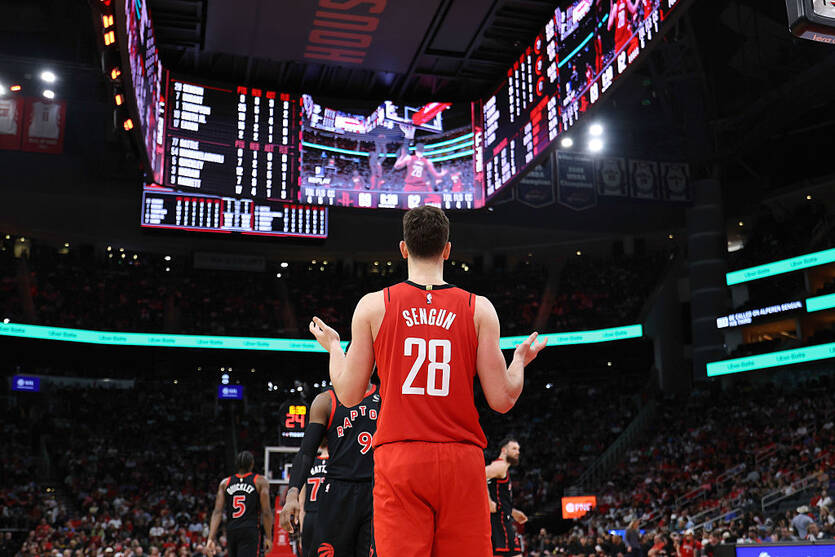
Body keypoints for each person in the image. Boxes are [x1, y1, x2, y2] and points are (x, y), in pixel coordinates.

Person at [309, 205, 547, 556]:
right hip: (462, 460)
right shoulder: (479, 308)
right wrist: (519, 361)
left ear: (403, 248)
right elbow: (502, 399)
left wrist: (333, 348)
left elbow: (347, 395)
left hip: (400, 458)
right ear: (448, 250)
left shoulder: (374, 306)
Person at [278, 383, 379, 557]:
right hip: (338, 490)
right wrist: (292, 493)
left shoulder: (385, 396)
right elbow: (306, 452)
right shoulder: (326, 400)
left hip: (375, 490)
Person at [207, 451, 273, 557]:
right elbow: (266, 512)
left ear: (236, 465)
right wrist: (269, 537)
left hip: (232, 530)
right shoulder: (260, 481)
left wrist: (210, 538)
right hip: (250, 529)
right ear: (252, 464)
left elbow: (217, 512)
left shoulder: (225, 483)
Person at [486, 438, 528, 557]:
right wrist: (487, 501)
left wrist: (512, 512)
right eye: (514, 448)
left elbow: (499, 497)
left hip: (503, 520)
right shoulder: (500, 466)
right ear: (504, 450)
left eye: (518, 449)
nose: (518, 452)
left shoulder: (502, 468)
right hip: (499, 523)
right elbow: (478, 475)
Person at [298, 442, 328, 557]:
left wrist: (302, 532)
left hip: (309, 518)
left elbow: (301, 505)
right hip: (328, 518)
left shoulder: (308, 464)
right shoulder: (337, 464)